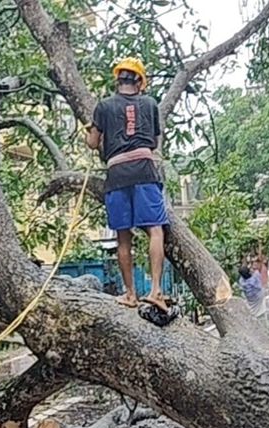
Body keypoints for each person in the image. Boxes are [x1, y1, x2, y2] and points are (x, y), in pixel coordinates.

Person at [86, 57, 168, 311]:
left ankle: (130, 294)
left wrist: (90, 132)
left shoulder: (104, 106)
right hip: (144, 169)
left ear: (118, 80)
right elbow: (154, 142)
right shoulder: (150, 104)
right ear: (140, 82)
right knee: (155, 229)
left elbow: (92, 143)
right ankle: (155, 290)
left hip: (117, 172)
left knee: (123, 237)